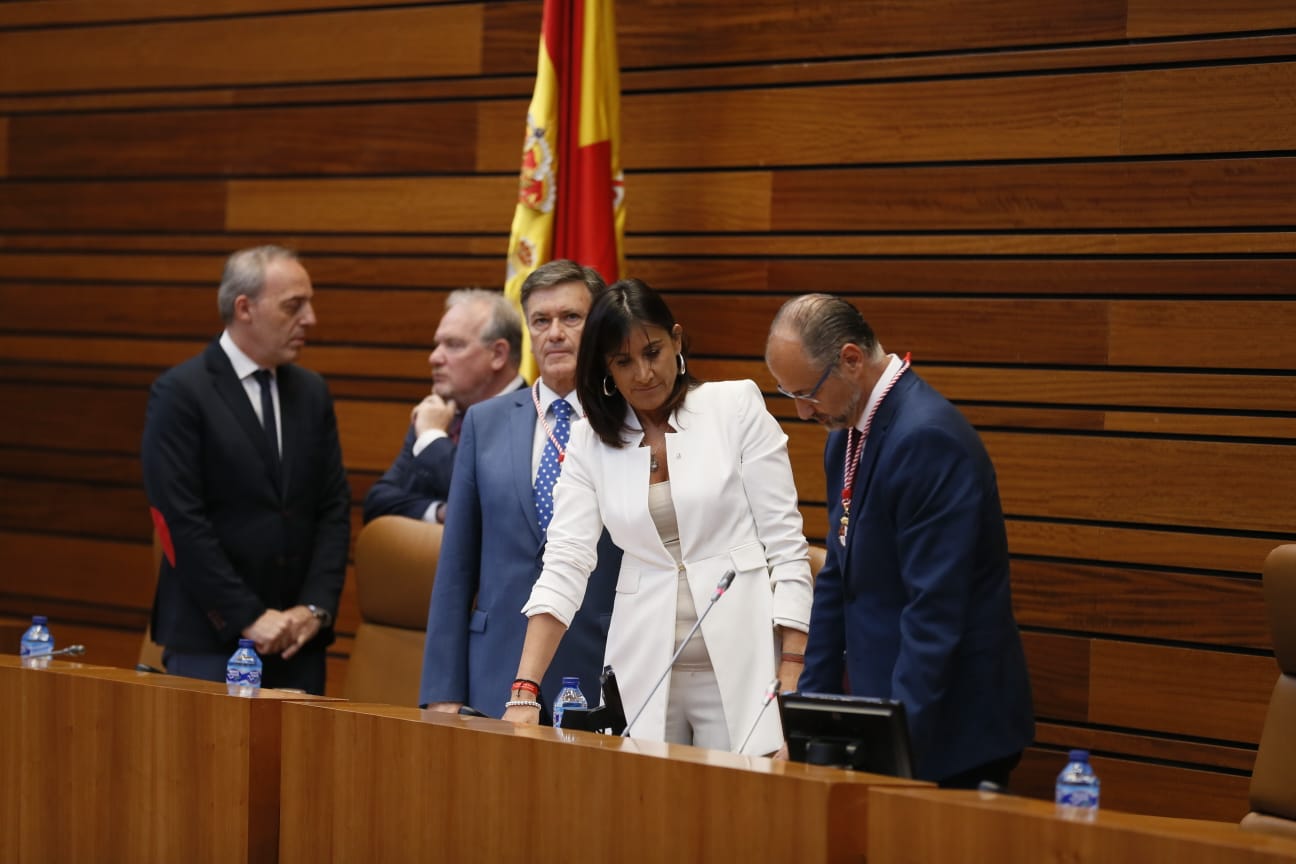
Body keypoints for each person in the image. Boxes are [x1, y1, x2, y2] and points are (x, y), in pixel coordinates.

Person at [503, 279, 812, 756]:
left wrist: (791, 670)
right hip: (644, 667)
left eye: (653, 352)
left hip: (747, 664)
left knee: (743, 817)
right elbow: (565, 562)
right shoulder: (589, 441)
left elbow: (786, 546)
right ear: (605, 366)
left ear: (677, 340)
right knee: (648, 817)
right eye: (623, 361)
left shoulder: (734, 407)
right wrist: (524, 688)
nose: (643, 374)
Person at [764, 293, 1033, 786]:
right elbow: (837, 584)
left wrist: (892, 746)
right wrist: (807, 724)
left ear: (851, 359)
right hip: (884, 713)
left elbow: (933, 612)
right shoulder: (845, 436)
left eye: (808, 392)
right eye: (789, 395)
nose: (802, 412)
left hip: (947, 730)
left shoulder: (926, 439)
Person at [141, 245, 350, 695]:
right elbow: (180, 522)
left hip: (297, 645)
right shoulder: (181, 393)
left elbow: (333, 509)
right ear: (244, 308)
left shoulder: (312, 393)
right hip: (210, 640)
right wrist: (248, 617)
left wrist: (314, 609)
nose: (310, 319)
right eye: (294, 305)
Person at [419, 260, 621, 718]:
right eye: (541, 321)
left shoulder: (626, 423)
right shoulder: (485, 422)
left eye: (571, 318)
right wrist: (442, 687)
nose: (554, 333)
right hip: (495, 669)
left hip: (600, 666)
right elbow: (456, 569)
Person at [362, 289, 524, 525]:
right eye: (437, 344)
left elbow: (492, 499)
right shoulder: (440, 413)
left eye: (454, 345)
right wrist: (439, 512)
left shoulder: (533, 417)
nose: (434, 358)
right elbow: (378, 501)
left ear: (498, 354)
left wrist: (433, 439)